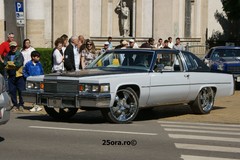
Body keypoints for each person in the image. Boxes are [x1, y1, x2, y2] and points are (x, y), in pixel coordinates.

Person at [4, 41, 25, 111]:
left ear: (17, 47)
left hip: (19, 75)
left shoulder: (19, 54)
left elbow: (19, 64)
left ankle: (21, 104)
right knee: (12, 91)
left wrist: (10, 64)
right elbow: (5, 64)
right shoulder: (7, 55)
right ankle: (15, 104)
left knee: (21, 90)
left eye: (15, 47)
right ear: (10, 47)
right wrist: (11, 64)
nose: (13, 48)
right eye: (12, 47)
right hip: (11, 75)